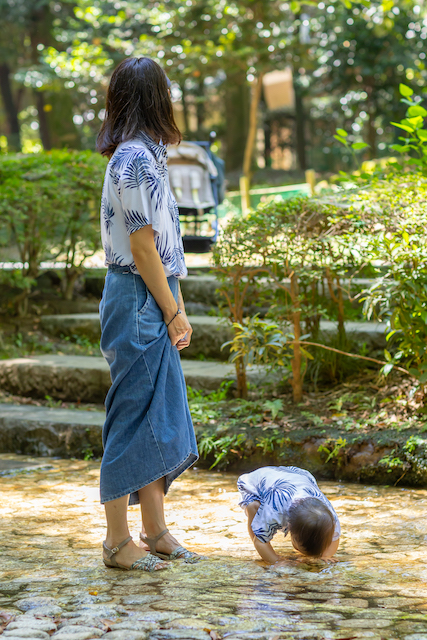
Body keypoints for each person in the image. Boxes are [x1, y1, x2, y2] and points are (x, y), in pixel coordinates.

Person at [96, 57, 199, 571]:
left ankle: (154, 529)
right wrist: (173, 311)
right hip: (139, 297)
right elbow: (142, 249)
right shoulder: (134, 159)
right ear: (159, 97)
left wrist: (173, 302)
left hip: (150, 295)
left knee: (158, 416)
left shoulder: (147, 155)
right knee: (133, 417)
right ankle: (117, 542)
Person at [238, 466, 340, 563]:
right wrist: (276, 561)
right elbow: (260, 543)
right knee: (254, 507)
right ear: (289, 526)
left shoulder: (331, 519)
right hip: (254, 483)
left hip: (297, 476)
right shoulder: (275, 510)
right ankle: (257, 530)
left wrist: (326, 555)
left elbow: (335, 538)